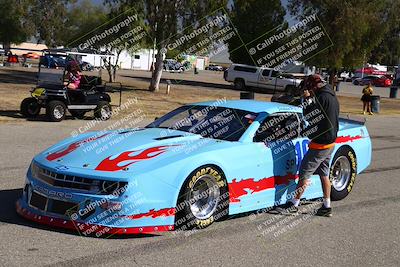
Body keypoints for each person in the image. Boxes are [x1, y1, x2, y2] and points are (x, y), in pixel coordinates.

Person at [280, 74, 340, 217]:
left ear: (313, 86)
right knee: (324, 174)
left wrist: (307, 99)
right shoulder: (331, 95)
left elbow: (311, 116)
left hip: (321, 143)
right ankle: (327, 206)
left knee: (304, 174)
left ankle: (294, 204)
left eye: (309, 88)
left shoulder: (322, 98)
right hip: (330, 142)